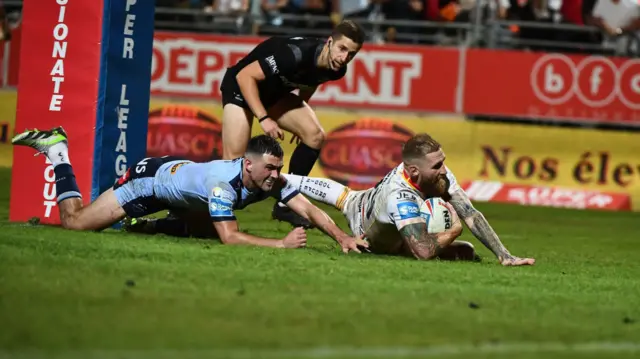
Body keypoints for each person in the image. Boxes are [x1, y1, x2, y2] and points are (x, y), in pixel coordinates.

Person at [11, 127, 366, 253]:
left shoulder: (271, 179)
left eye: (278, 167)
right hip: (146, 183)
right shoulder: (222, 186)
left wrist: (342, 237)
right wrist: (281, 244)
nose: (276, 175)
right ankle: (58, 151)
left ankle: (147, 227)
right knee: (75, 223)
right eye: (270, 168)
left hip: (175, 178)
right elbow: (231, 238)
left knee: (201, 233)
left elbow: (308, 209)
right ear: (248, 165)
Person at [282, 133, 536, 266]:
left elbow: (470, 213)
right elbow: (424, 252)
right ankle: (261, 174)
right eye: (437, 165)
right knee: (285, 180)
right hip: (359, 215)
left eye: (443, 161)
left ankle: (403, 243)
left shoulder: (438, 176)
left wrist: (504, 255)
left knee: (467, 253)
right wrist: (453, 231)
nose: (444, 170)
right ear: (413, 171)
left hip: (363, 198)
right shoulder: (400, 195)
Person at [219, 20, 365, 228]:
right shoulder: (295, 54)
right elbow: (245, 76)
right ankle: (191, 210)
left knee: (314, 135)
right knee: (232, 165)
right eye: (342, 49)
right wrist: (264, 118)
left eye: (351, 54)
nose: (344, 58)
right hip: (241, 87)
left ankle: (285, 204)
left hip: (273, 94)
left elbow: (310, 83)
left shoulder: (336, 69)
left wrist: (299, 115)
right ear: (330, 42)